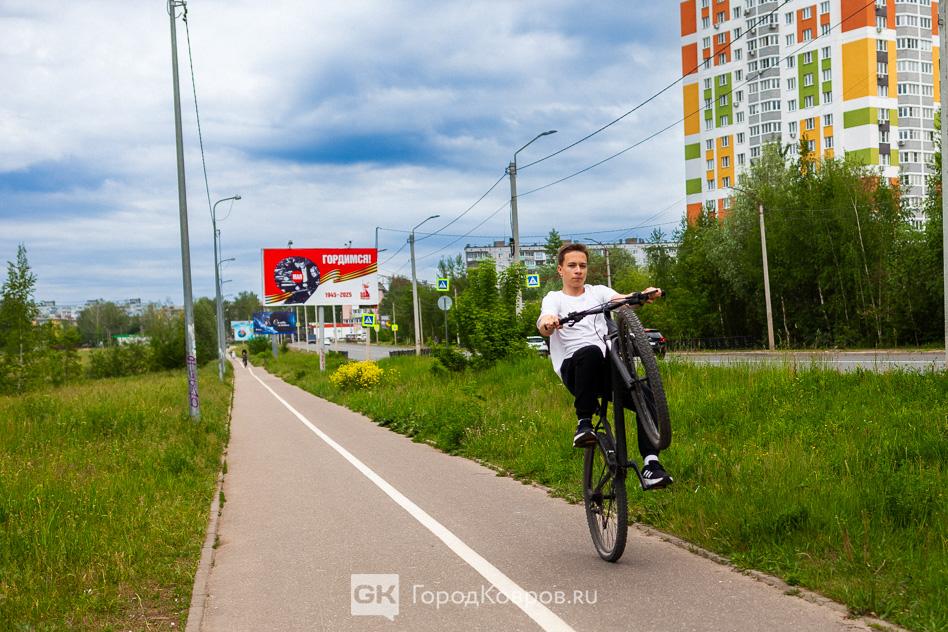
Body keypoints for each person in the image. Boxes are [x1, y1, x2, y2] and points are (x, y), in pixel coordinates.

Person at [537, 243, 673, 490]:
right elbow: (544, 321)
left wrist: (642, 295)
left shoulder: (597, 292)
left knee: (647, 395)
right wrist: (549, 322)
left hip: (606, 369)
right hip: (575, 370)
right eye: (572, 265)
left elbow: (622, 301)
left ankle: (651, 465)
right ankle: (584, 423)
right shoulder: (554, 298)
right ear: (560, 270)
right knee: (590, 351)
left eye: (582, 265)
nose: (578, 270)